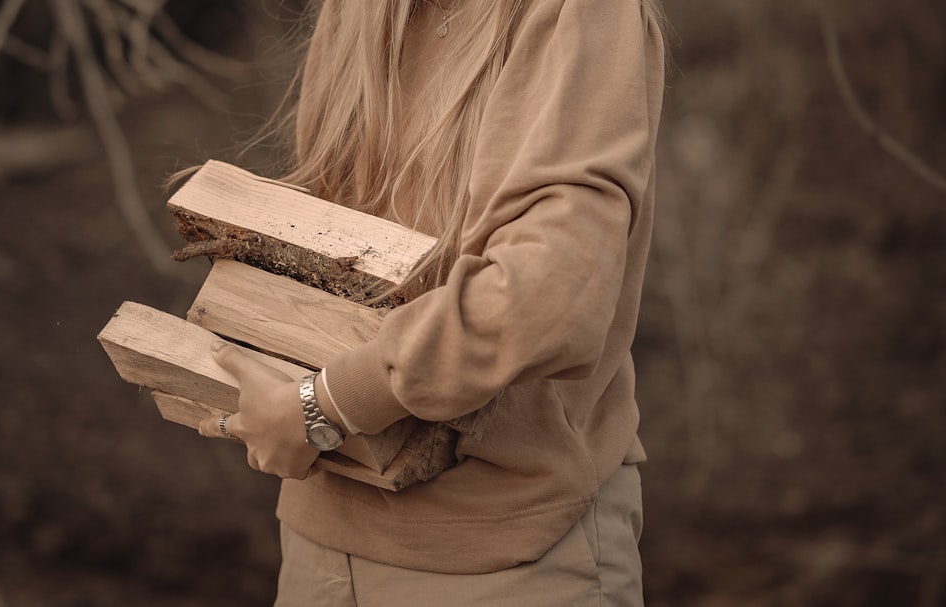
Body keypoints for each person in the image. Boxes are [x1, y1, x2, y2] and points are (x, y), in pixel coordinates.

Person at [196, 0, 666, 604]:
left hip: (508, 558)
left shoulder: (582, 12)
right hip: (320, 534)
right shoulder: (362, 11)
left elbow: (549, 293)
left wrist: (327, 403)